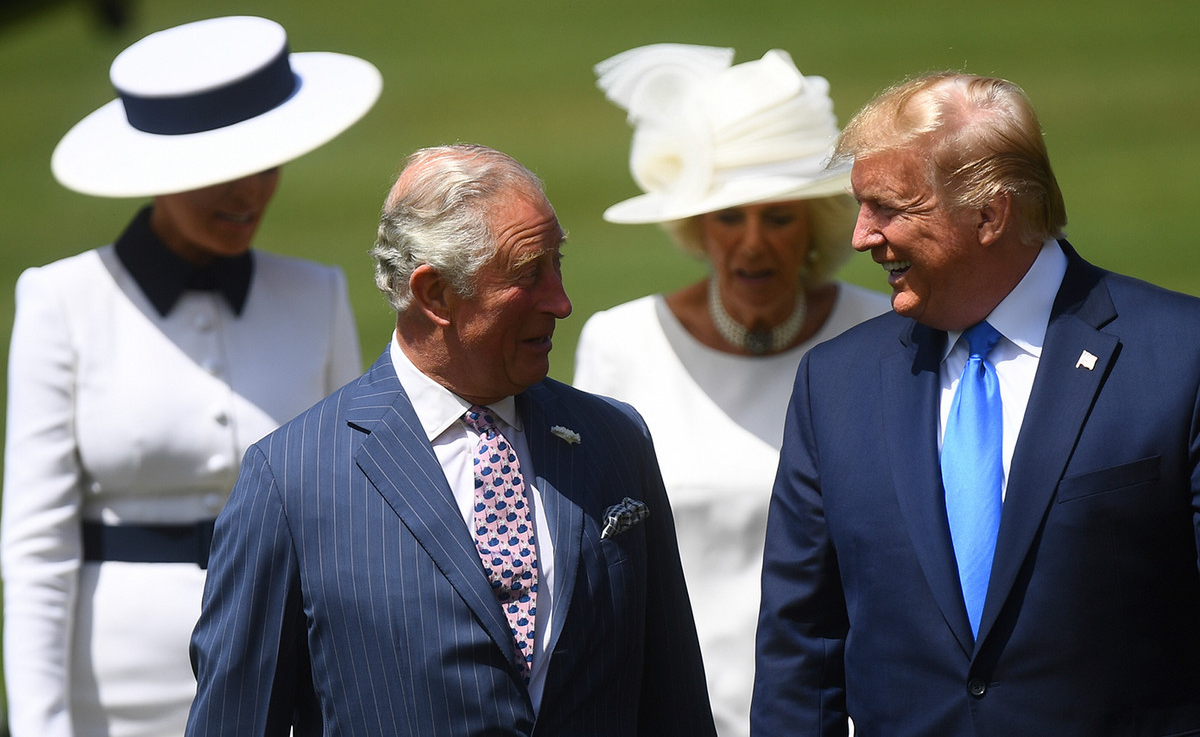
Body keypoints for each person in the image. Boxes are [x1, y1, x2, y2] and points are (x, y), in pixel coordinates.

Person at [185, 143, 717, 736]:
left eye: (557, 263)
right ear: (434, 293)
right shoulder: (291, 478)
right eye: (528, 273)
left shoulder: (614, 440)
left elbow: (675, 705)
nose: (561, 302)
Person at [752, 71, 1200, 735]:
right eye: (860, 206)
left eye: (889, 208)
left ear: (989, 215)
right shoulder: (836, 383)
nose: (860, 237)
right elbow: (799, 652)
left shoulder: (1181, 357)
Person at [1, 15, 381, 737]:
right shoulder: (63, 302)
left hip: (284, 681)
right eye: (221, 172)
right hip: (114, 702)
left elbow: (351, 519)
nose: (250, 193)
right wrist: (40, 723)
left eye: (266, 164)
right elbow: (37, 546)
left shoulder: (318, 293)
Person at [572, 44, 889, 736]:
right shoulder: (620, 343)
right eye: (728, 216)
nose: (752, 244)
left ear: (815, 223)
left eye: (777, 217)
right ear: (696, 226)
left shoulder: (884, 335)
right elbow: (590, 565)